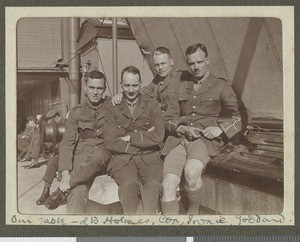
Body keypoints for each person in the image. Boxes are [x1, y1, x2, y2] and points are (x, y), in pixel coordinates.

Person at [160, 43, 244, 215]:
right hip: (178, 140)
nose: (196, 67)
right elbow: (168, 119)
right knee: (167, 185)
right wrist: (182, 129)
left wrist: (220, 129)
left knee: (191, 173)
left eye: (199, 62)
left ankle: (193, 213)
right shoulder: (181, 87)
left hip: (203, 141)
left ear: (208, 60)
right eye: (191, 63)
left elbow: (241, 116)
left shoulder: (221, 86)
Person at [44, 70, 111, 214]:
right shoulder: (77, 112)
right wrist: (66, 172)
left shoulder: (112, 108)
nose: (95, 92)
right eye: (92, 87)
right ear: (85, 87)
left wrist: (68, 179)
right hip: (84, 159)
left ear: (104, 89)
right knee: (77, 191)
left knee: (100, 154)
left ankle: (63, 188)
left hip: (106, 157)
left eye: (99, 88)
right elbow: (67, 143)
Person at [103, 65, 165, 215]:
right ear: (121, 84)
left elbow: (158, 135)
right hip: (123, 158)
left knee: (153, 184)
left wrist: (130, 137)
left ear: (141, 84)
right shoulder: (112, 106)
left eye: (135, 85)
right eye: (127, 85)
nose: (131, 90)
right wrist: (143, 140)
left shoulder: (152, 105)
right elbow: (110, 141)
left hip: (150, 158)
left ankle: (146, 225)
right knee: (128, 185)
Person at [112, 47, 193, 115]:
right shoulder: (157, 81)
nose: (160, 68)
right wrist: (121, 94)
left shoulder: (182, 77)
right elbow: (140, 92)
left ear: (171, 62)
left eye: (163, 63)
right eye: (157, 65)